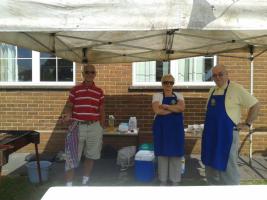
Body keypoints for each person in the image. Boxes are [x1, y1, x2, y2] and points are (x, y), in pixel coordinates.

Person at [201, 64, 260, 185]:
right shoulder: (212, 90)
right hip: (210, 135)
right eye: (214, 75)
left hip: (227, 135)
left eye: (220, 74)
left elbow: (255, 104)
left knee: (228, 167)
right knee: (209, 165)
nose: (217, 77)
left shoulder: (236, 88)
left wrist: (247, 124)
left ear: (227, 74)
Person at [61, 64, 105, 186]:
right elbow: (69, 105)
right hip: (77, 126)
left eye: (92, 72)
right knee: (71, 156)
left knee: (90, 155)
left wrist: (101, 127)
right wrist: (67, 114)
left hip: (94, 126)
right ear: (82, 74)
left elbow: (101, 110)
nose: (90, 74)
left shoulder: (99, 91)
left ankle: (85, 180)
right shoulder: (75, 89)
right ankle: (69, 184)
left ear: (95, 74)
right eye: (87, 72)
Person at [152, 74, 185, 186]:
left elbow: (181, 108)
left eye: (171, 82)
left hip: (176, 130)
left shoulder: (179, 95)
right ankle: (163, 180)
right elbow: (157, 111)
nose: (168, 85)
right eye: (166, 82)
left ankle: (175, 181)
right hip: (162, 130)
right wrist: (174, 109)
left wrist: (165, 106)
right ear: (162, 84)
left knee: (176, 155)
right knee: (162, 155)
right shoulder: (157, 95)